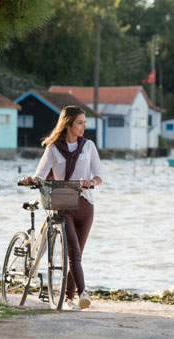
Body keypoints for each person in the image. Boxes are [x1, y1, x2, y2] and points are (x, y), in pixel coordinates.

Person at [19, 105, 103, 310]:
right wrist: (32, 180)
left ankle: (69, 298)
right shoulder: (53, 148)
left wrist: (91, 182)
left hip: (85, 205)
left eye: (85, 122)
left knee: (78, 255)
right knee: (73, 253)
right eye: (80, 122)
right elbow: (41, 173)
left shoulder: (89, 146)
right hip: (63, 205)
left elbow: (99, 176)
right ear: (68, 124)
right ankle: (82, 294)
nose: (84, 126)